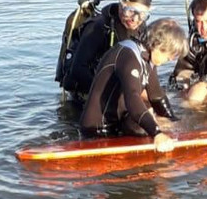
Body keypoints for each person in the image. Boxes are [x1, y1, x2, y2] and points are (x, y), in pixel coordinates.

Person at [79, 18, 188, 152]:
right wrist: (157, 133)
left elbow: (156, 96)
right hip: (97, 131)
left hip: (118, 124)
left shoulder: (148, 58)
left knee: (152, 117)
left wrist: (175, 123)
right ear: (158, 44)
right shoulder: (129, 54)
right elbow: (133, 98)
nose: (171, 59)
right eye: (170, 54)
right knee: (145, 125)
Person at [63, 0, 153, 101]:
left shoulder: (141, 27)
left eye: (142, 14)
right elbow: (78, 70)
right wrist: (112, 93)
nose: (135, 19)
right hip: (89, 95)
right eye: (130, 11)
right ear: (121, 5)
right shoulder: (97, 27)